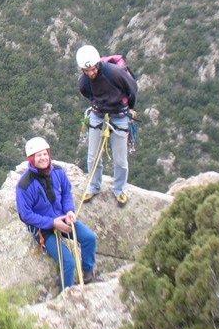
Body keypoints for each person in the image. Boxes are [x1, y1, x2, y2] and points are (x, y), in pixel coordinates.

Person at [15, 137, 97, 288]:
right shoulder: (25, 185)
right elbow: (25, 215)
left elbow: (66, 192)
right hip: (43, 229)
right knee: (68, 262)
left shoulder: (58, 171)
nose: (43, 158)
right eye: (39, 155)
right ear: (32, 159)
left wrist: (69, 211)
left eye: (45, 154)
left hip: (63, 217)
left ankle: (88, 273)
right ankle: (66, 293)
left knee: (90, 238)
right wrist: (52, 223)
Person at [76, 44, 138, 207]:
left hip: (119, 114)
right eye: (87, 70)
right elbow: (88, 94)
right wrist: (101, 104)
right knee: (92, 156)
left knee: (120, 159)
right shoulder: (83, 82)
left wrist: (130, 108)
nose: (91, 73)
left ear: (97, 64)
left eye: (93, 69)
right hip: (98, 113)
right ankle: (94, 186)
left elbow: (132, 88)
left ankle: (120, 189)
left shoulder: (114, 73)